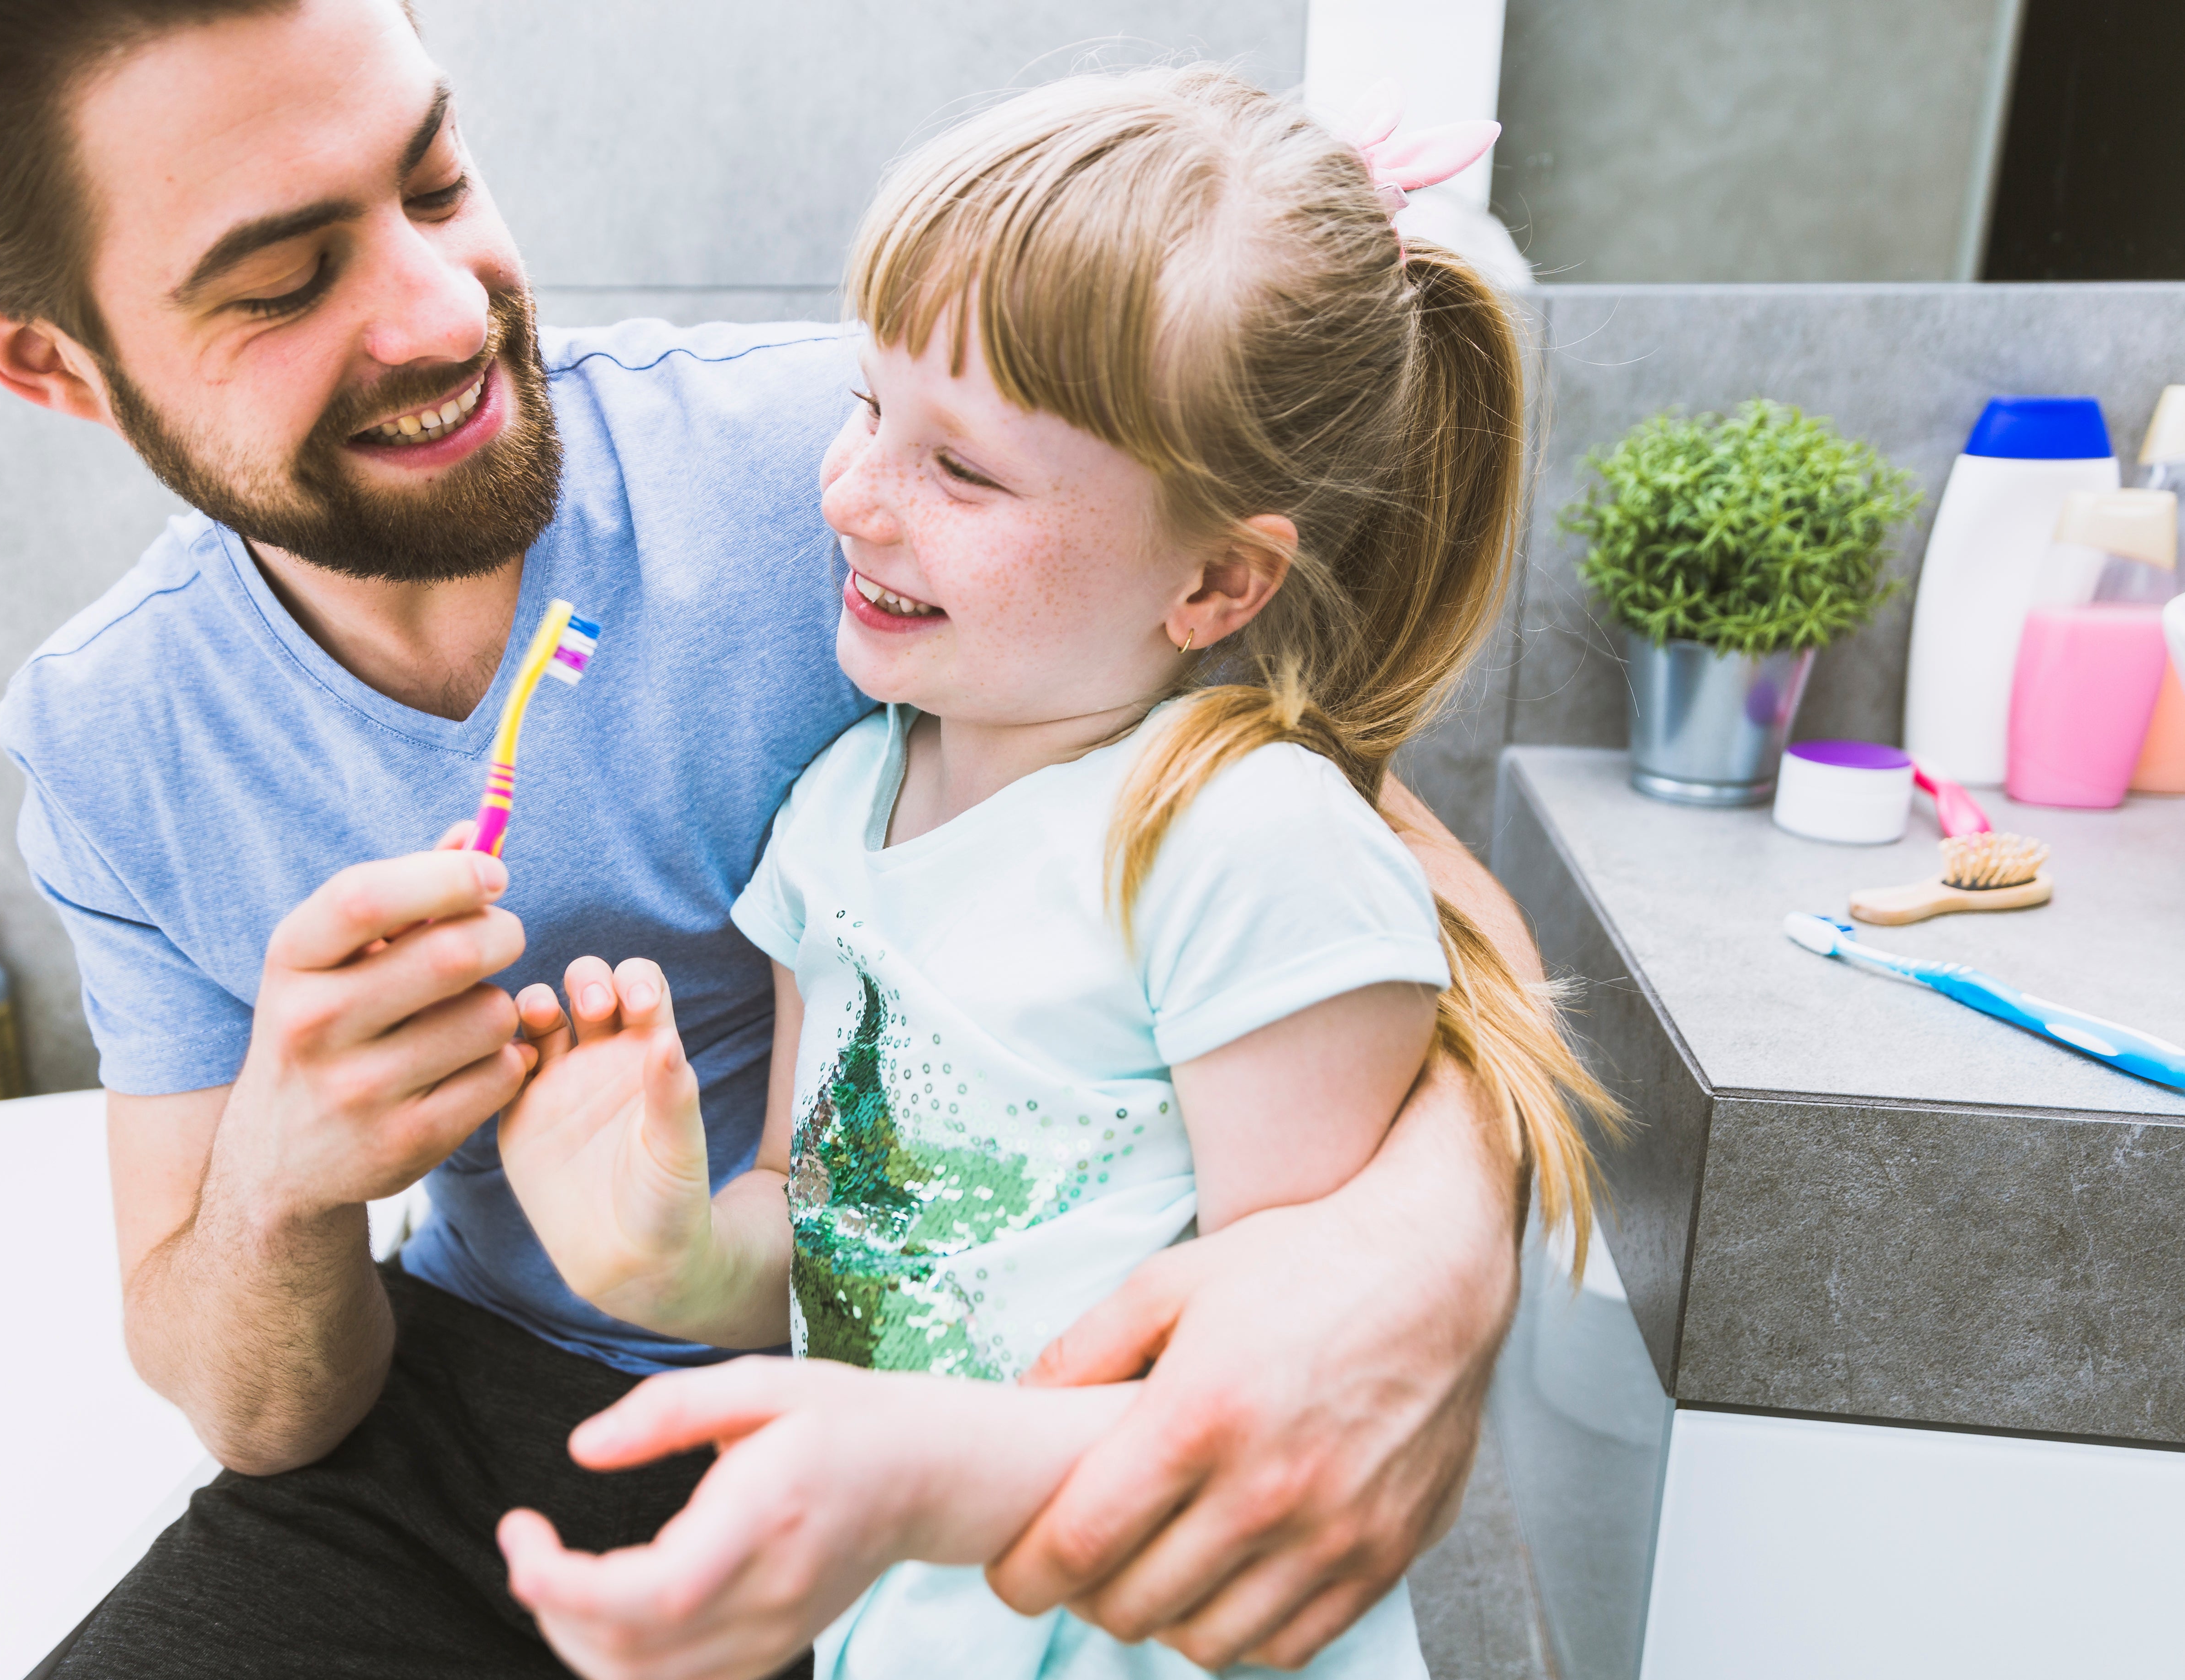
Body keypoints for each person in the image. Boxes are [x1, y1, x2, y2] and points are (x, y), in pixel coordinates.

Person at [0, 2, 1551, 1674]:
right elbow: (254, 1409)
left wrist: (1413, 1272)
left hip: (961, 1460)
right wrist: (286, 1170)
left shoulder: (857, 477)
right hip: (491, 1425)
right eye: (284, 280)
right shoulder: (115, 736)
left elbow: (1384, 875)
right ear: (44, 359)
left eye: (436, 179)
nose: (441, 312)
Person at [484, 65, 1614, 1680]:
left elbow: (1275, 1407)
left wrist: (903, 1482)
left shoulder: (1238, 846)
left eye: (966, 469)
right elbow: (826, 1242)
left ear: (1216, 578)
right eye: (870, 404)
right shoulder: (837, 815)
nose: (851, 490)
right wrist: (654, 1248)